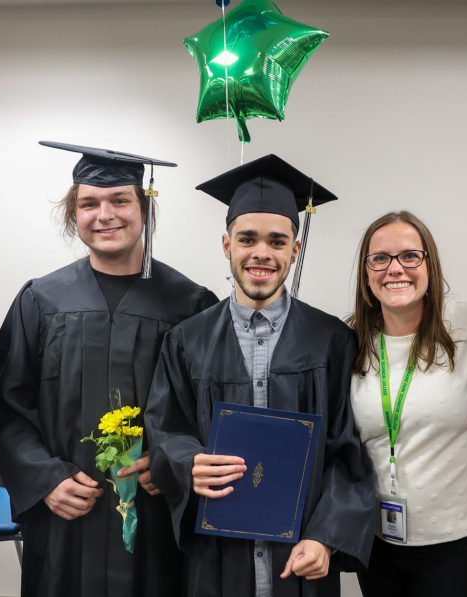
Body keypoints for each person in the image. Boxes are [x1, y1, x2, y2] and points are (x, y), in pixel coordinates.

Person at [0, 142, 218, 597]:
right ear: (74, 215)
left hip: (155, 516)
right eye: (88, 203)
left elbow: (208, 410)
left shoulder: (191, 305)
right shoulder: (41, 300)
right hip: (67, 515)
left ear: (145, 209)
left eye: (120, 200)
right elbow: (5, 404)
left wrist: (172, 464)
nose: (104, 214)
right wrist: (44, 479)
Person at [146, 154, 376, 597]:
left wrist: (326, 536)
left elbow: (346, 452)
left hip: (300, 554)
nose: (261, 253)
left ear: (296, 249)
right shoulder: (185, 341)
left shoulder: (331, 341)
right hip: (218, 554)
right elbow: (165, 429)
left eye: (277, 240)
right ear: (226, 244)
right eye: (247, 238)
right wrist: (188, 463)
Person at [347, 211, 467, 597]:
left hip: (460, 540)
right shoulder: (349, 341)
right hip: (378, 538)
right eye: (380, 258)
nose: (394, 269)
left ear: (429, 265)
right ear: (367, 273)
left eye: (409, 256)